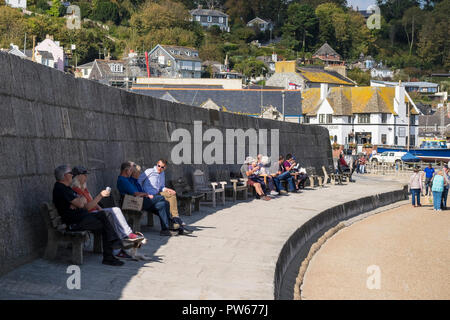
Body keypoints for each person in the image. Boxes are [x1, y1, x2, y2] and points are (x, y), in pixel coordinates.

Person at [52, 164, 124, 266]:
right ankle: (112, 250)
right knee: (106, 222)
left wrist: (78, 202)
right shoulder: (60, 188)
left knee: (105, 216)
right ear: (65, 176)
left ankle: (114, 247)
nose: (72, 175)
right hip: (75, 223)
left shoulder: (66, 188)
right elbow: (82, 203)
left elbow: (82, 203)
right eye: (70, 173)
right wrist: (79, 202)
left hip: (81, 218)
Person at [70, 166, 145, 260]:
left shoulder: (84, 188)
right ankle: (120, 245)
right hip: (89, 216)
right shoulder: (75, 190)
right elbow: (88, 207)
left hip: (96, 212)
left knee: (115, 211)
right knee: (112, 218)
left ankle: (127, 235)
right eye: (84, 175)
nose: (86, 177)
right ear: (78, 176)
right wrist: (100, 195)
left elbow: (94, 203)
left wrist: (102, 209)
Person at [117, 161, 178, 236]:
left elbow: (136, 191)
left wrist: (145, 195)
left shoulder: (127, 179)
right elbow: (136, 193)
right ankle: (171, 223)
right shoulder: (123, 180)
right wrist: (147, 195)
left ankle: (165, 229)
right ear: (127, 171)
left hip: (138, 201)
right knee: (161, 198)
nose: (132, 172)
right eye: (131, 170)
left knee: (163, 204)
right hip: (134, 203)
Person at [137, 160, 191, 234]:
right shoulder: (149, 171)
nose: (159, 168)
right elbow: (139, 181)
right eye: (158, 166)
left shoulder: (162, 174)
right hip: (148, 195)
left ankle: (176, 218)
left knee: (172, 194)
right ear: (157, 164)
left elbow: (162, 187)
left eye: (162, 167)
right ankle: (172, 223)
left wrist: (168, 189)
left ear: (165, 167)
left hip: (157, 193)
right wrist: (143, 192)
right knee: (164, 202)